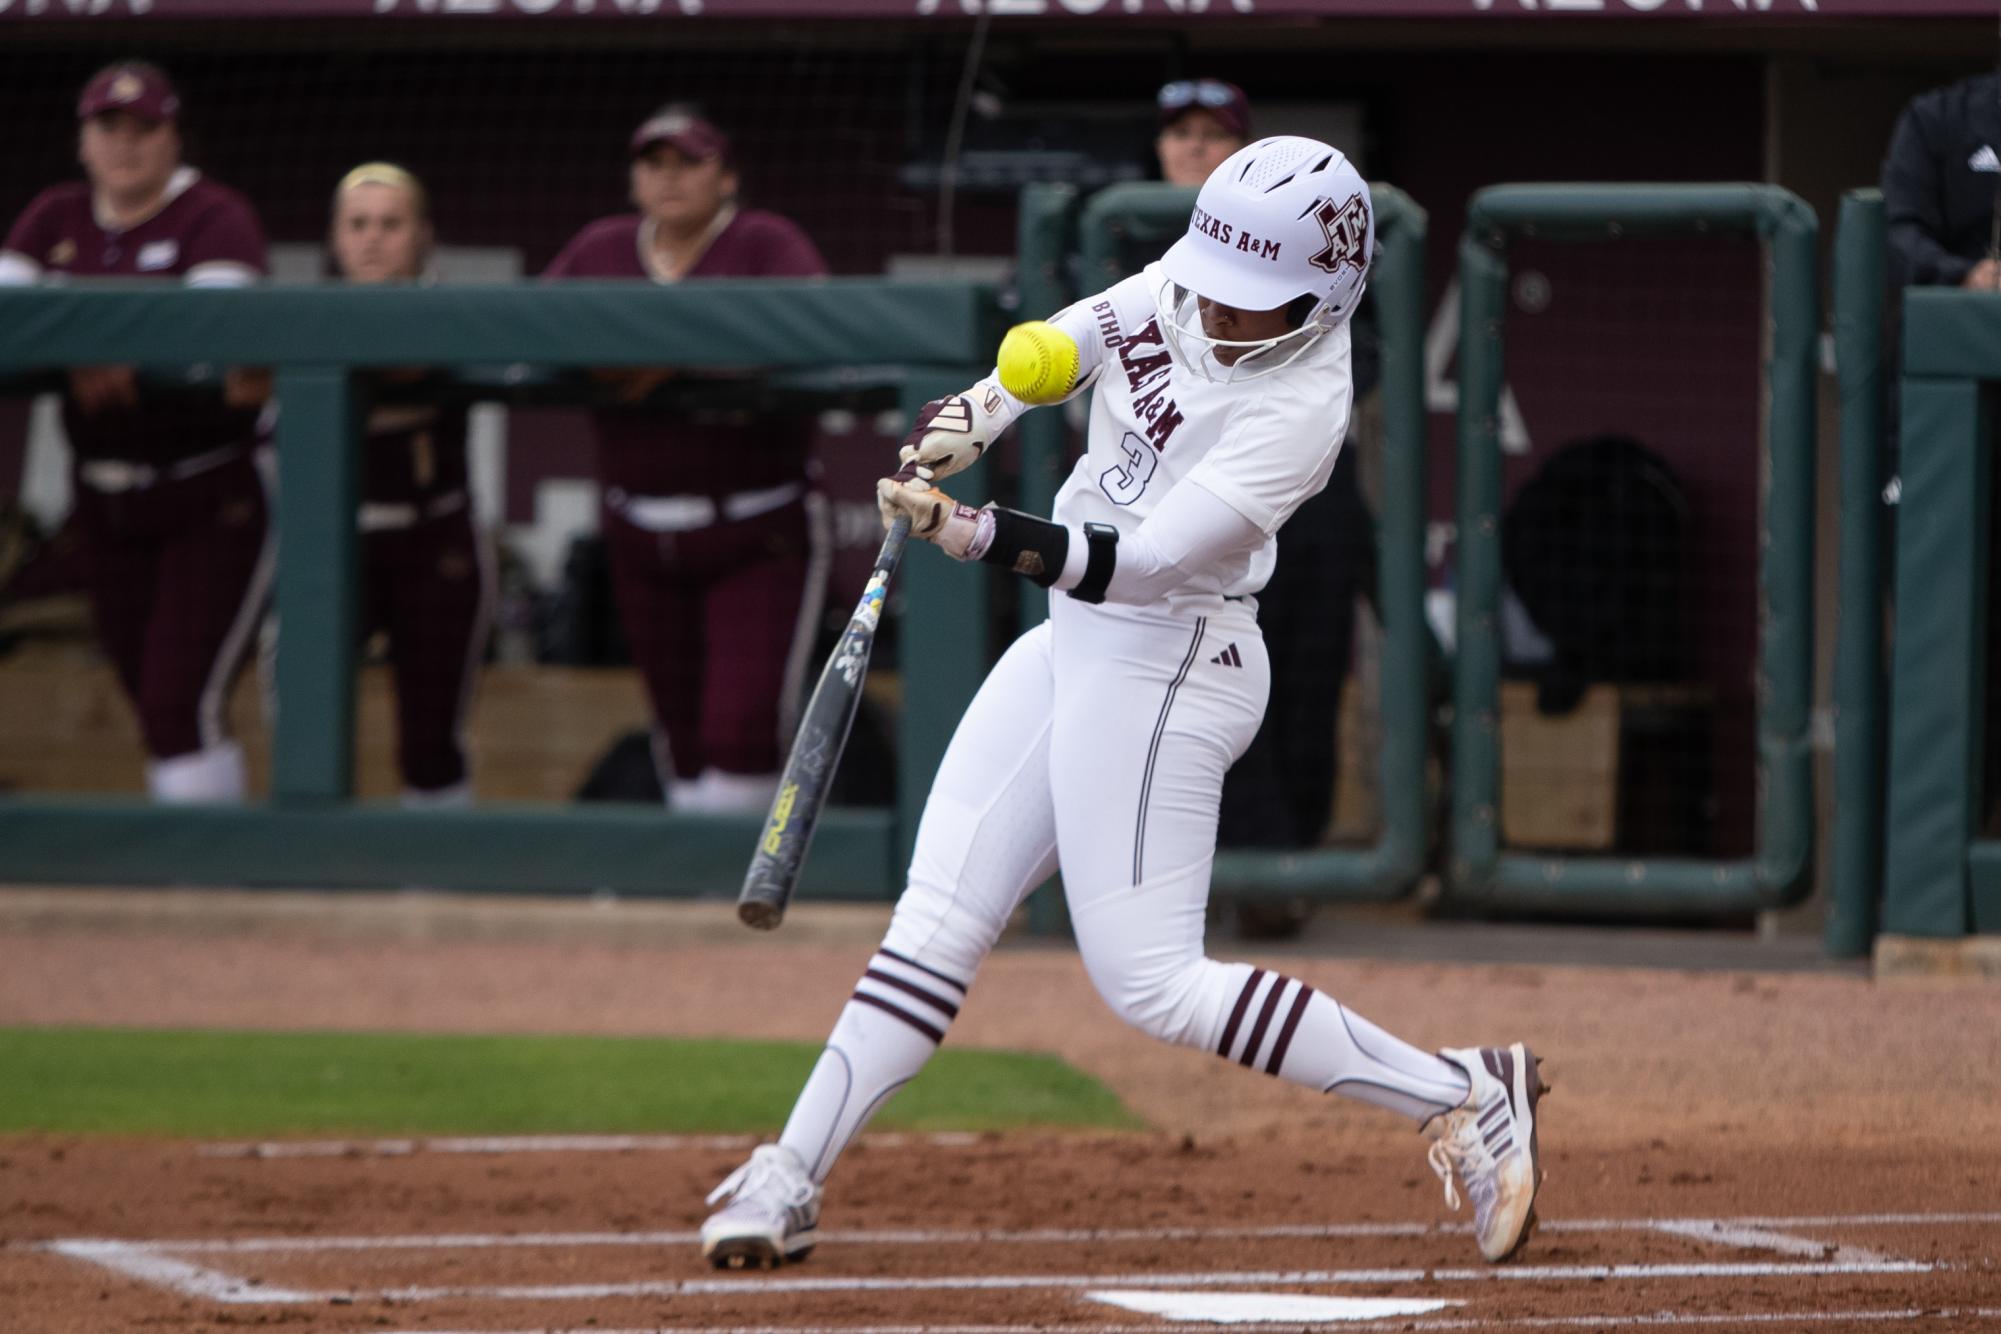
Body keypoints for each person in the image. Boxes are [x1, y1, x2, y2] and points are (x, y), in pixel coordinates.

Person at [699, 138, 1546, 1271]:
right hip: (1078, 645)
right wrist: (982, 407)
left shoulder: (1303, 410)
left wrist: (971, 529)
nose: (1221, 313)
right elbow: (1082, 337)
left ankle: (1463, 1091)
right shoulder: (1199, 274)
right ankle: (789, 1169)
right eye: (1215, 285)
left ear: (1326, 293)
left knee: (1151, 982)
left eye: (1256, 303)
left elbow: (1142, 563)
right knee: (937, 918)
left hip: (1173, 660)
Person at [544, 105, 830, 815]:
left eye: (688, 163)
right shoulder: (600, 247)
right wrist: (607, 362)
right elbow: (536, 328)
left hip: (754, 520)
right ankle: (690, 912)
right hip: (640, 528)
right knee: (677, 735)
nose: (668, 179)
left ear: (726, 177)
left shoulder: (765, 240)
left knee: (741, 728)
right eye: (653, 164)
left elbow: (818, 327)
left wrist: (668, 357)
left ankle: (741, 897)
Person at [0, 60, 271, 801]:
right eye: (107, 128)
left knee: (180, 701)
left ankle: (207, 886)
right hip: (104, 502)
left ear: (173, 138)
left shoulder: (216, 214)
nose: (125, 144)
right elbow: (7, 318)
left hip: (207, 490)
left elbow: (211, 333)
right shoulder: (53, 215)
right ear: (82, 140)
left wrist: (87, 331)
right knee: (148, 701)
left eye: (144, 129)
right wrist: (79, 348)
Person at [1154, 80, 1377, 930]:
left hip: (1299, 491)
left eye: (1215, 134)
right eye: (1180, 132)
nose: (1195, 147)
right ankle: (1226, 869)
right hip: (1184, 490)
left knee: (1305, 678)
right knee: (1202, 677)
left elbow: (1371, 357)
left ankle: (1288, 864)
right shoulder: (1142, 244)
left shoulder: (1320, 238)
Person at [328, 162, 492, 806]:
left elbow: (411, 359)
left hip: (433, 541)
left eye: (391, 225)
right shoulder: (301, 316)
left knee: (429, 738)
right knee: (304, 725)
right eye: (358, 224)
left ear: (423, 234)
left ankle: (438, 892)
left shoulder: (449, 309)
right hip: (331, 545)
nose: (372, 239)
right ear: (336, 237)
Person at [1880, 71, 2001, 829]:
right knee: (1946, 655)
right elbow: (1896, 234)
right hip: (1948, 435)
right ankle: (1936, 861)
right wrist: (1965, 274)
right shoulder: (1939, 120)